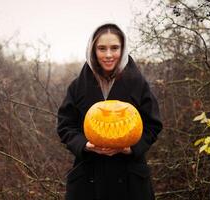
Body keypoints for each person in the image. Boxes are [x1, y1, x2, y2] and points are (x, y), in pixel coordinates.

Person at [57, 23, 163, 200]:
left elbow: (153, 125)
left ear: (123, 49)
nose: (108, 55)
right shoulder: (78, 86)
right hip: (88, 177)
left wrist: (132, 148)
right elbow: (65, 126)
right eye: (101, 48)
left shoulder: (138, 83)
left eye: (114, 48)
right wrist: (84, 145)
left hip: (130, 177)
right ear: (93, 50)